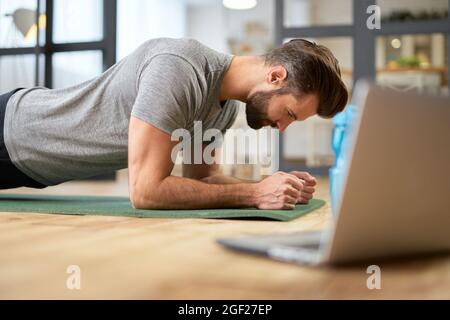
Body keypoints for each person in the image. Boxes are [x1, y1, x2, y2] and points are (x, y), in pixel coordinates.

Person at [0, 38, 348, 210]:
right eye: (288, 114)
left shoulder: (224, 108)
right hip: (10, 128)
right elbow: (146, 191)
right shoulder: (178, 69)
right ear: (275, 76)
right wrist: (254, 193)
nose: (283, 127)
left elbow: (203, 179)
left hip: (27, 168)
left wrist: (273, 185)